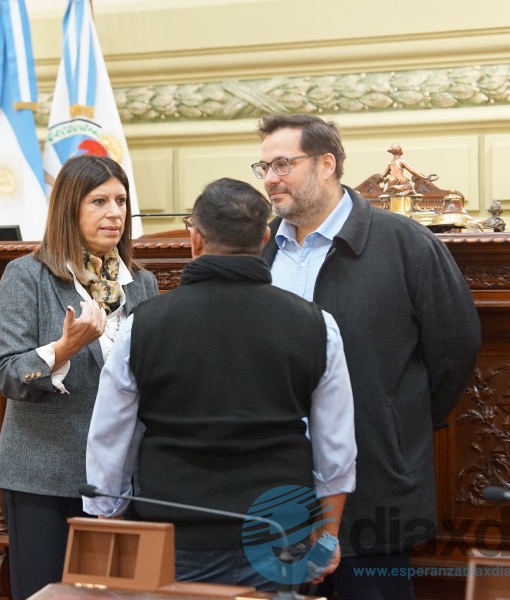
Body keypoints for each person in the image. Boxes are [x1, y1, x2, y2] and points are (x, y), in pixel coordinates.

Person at [83, 177, 356, 592]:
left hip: (172, 535)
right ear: (264, 238)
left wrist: (109, 518)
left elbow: (110, 437)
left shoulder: (145, 325)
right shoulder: (317, 325)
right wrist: (329, 534)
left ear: (195, 239)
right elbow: (336, 448)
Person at [254, 114, 481, 600]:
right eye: (264, 167)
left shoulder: (405, 244)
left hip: (373, 482)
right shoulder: (258, 254)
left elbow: (454, 352)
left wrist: (397, 424)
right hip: (275, 484)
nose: (270, 178)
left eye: (282, 164)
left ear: (326, 164)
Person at [0, 154, 159, 600]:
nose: (115, 213)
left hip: (124, 476)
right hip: (45, 474)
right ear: (70, 208)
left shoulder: (142, 283)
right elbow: (5, 373)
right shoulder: (27, 276)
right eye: (99, 201)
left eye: (121, 201)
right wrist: (64, 349)